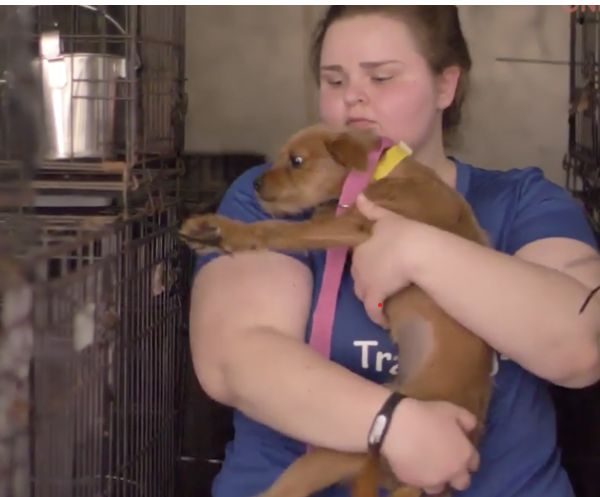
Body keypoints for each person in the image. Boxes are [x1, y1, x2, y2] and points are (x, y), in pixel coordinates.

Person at [189, 6, 600, 497]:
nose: (354, 97)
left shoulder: (523, 202)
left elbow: (582, 345)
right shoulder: (278, 196)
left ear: (445, 86)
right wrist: (392, 425)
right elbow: (234, 358)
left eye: (381, 77)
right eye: (333, 80)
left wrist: (417, 248)